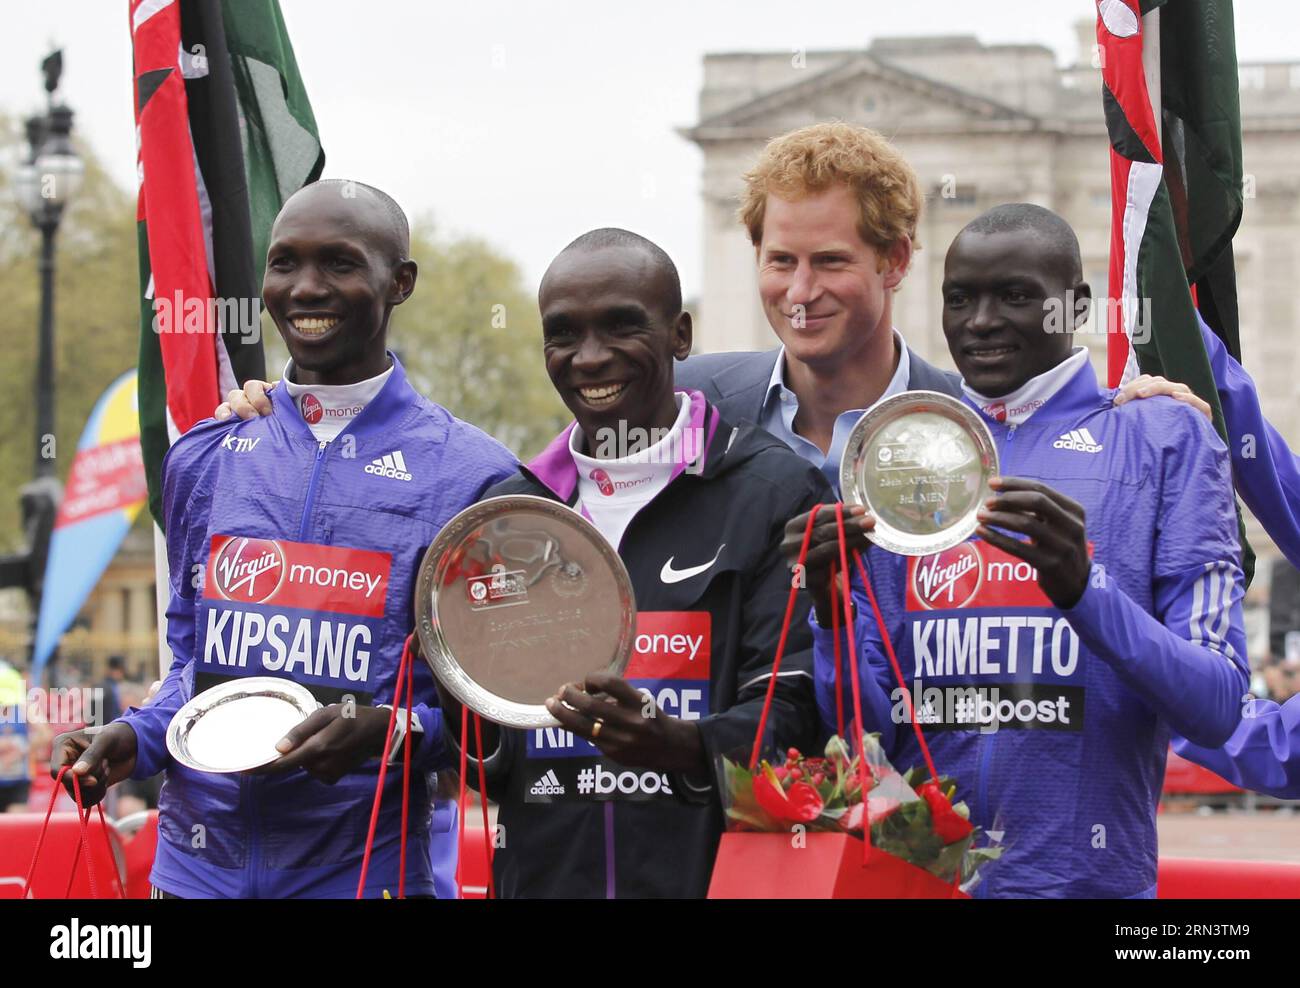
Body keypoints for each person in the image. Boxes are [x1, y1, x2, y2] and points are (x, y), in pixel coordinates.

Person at [50, 180, 517, 898]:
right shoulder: (206, 453)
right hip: (193, 871)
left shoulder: (473, 476)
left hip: (364, 875)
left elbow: (493, 731)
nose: (305, 288)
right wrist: (134, 738)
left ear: (401, 283)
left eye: (339, 264)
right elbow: (192, 667)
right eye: (285, 263)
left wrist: (389, 734)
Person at [789, 203, 1249, 898]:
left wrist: (1083, 591)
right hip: (917, 884)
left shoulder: (1164, 438)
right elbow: (865, 737)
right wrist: (831, 612)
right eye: (959, 299)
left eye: (1015, 296)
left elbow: (1217, 704)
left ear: (1076, 306)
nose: (980, 322)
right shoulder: (899, 456)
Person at [444, 228, 830, 897]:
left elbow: (799, 722)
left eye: (620, 327)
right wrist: (451, 672)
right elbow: (497, 763)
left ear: (680, 334)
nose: (590, 358)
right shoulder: (510, 515)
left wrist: (679, 746)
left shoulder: (774, 492)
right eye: (564, 334)